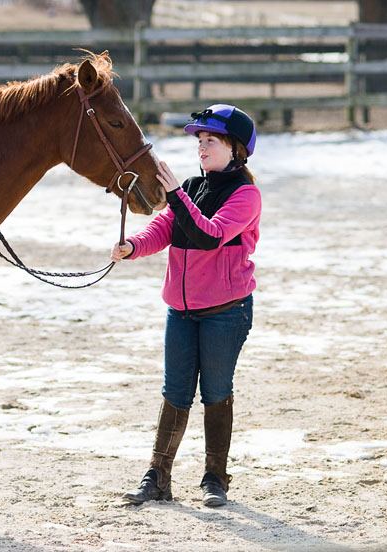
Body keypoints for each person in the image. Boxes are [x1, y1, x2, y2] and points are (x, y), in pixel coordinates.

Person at [111, 104, 260, 507]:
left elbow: (209, 235)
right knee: (175, 392)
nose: (202, 147)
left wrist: (176, 195)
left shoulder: (246, 196)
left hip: (226, 313)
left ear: (236, 149)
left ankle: (215, 479)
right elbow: (164, 228)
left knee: (215, 392)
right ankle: (157, 478)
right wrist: (133, 246)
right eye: (200, 140)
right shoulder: (193, 188)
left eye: (211, 140)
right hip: (180, 310)